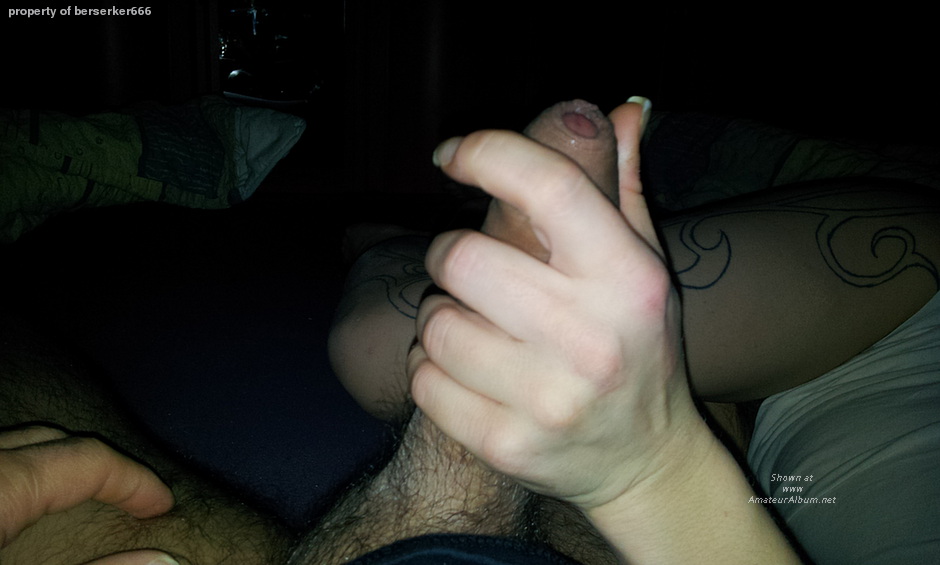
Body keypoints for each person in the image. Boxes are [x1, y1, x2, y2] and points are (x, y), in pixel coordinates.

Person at [2, 96, 938, 564]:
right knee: (427, 347)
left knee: (416, 345)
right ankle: (400, 244)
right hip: (910, 305)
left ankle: (392, 243)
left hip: (784, 402)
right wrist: (652, 468)